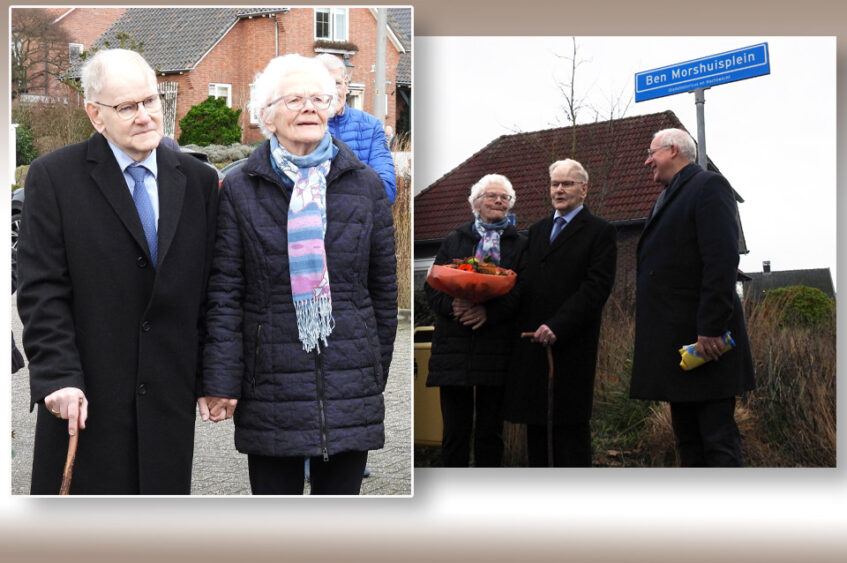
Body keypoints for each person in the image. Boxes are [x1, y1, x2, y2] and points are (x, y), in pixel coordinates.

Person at [16, 48, 219, 494]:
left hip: (168, 402)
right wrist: (58, 376)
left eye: (151, 101)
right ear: (95, 114)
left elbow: (211, 289)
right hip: (85, 399)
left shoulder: (199, 181)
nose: (145, 116)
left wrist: (214, 376)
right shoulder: (54, 178)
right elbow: (41, 289)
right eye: (127, 107)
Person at [202, 54, 397, 495]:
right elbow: (225, 292)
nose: (309, 107)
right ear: (265, 117)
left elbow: (383, 289)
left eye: (318, 98)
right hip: (269, 383)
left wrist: (371, 367)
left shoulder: (365, 185)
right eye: (294, 99)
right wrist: (221, 380)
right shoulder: (238, 188)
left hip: (350, 380)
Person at [630, 128, 755, 467]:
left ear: (672, 150)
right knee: (688, 440)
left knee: (717, 441)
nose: (647, 161)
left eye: (651, 152)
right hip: (680, 344)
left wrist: (711, 327)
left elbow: (720, 260)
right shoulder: (670, 195)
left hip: (706, 344)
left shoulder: (708, 186)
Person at [504, 159, 617, 467]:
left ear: (584, 189)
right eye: (555, 183)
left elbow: (596, 288)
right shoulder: (537, 230)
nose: (559, 190)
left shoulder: (600, 232)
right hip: (533, 344)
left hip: (571, 344)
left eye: (567, 184)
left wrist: (558, 325)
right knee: (536, 428)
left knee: (569, 429)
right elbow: (524, 281)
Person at [424, 174, 525, 467]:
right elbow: (432, 286)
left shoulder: (520, 243)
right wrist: (454, 305)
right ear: (476, 203)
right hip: (454, 351)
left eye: (504, 197)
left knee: (490, 434)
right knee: (454, 433)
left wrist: (488, 313)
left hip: (496, 350)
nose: (498, 201)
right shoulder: (455, 239)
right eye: (491, 196)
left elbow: (523, 290)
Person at [317, 53, 396, 203]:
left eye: (336, 84)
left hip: (363, 224)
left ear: (346, 84)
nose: (331, 92)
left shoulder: (371, 127)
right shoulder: (302, 130)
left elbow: (387, 190)